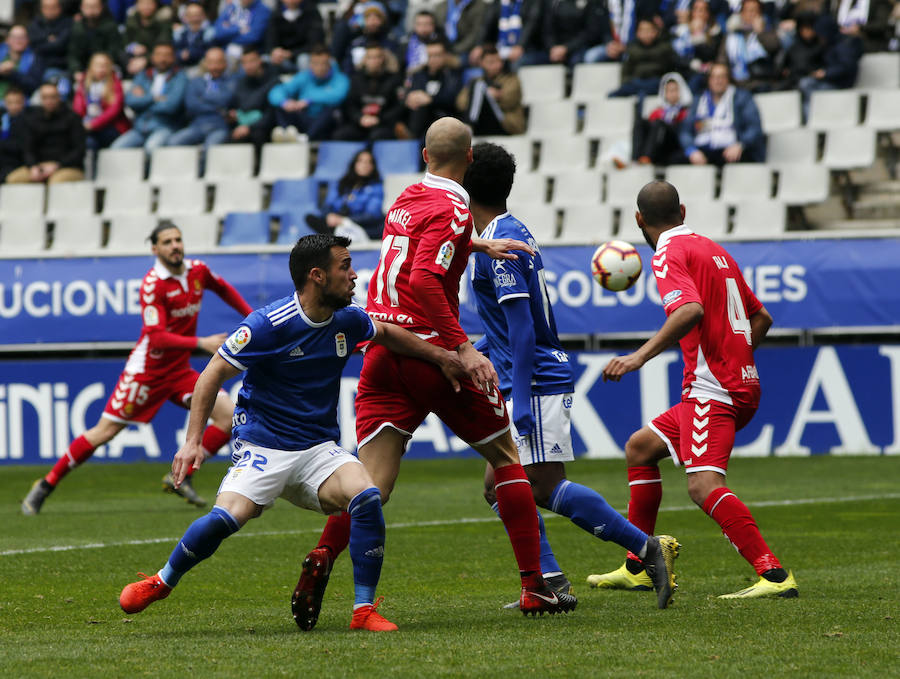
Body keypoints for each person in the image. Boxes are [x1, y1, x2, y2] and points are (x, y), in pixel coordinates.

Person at [295, 117, 578, 631]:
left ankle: (322, 558)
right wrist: (463, 348)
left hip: (383, 349)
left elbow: (412, 257)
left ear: (426, 155)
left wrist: (477, 246)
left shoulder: (405, 198)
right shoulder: (456, 207)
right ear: (469, 161)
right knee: (507, 459)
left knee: (372, 484)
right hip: (432, 356)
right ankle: (535, 586)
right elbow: (425, 276)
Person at [119, 234, 473, 631]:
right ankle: (163, 580)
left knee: (367, 495)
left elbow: (387, 333)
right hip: (263, 446)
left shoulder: (347, 319)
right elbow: (211, 375)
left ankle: (363, 610)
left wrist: (442, 356)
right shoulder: (269, 325)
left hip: (318, 449)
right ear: (317, 276)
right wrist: (192, 441)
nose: (355, 275)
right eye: (345, 266)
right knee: (228, 517)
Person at [466, 142, 680, 610]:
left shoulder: (500, 245)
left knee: (541, 485)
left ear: (466, 184)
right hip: (524, 372)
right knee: (496, 486)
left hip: (534, 377)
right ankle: (549, 582)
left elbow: (524, 332)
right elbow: (510, 327)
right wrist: (478, 348)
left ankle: (646, 547)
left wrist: (519, 398)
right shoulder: (505, 232)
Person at [586, 180, 798, 599]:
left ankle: (773, 575)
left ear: (639, 220)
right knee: (640, 449)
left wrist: (638, 357)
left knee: (702, 485)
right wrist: (737, 356)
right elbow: (763, 318)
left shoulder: (668, 252)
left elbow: (689, 309)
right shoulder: (713, 249)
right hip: (731, 382)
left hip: (713, 388)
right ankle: (639, 565)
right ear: (682, 213)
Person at [21, 221, 254, 516]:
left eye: (178, 240)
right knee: (104, 432)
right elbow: (155, 335)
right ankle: (45, 484)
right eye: (167, 242)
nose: (175, 246)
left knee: (228, 416)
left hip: (179, 371)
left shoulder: (198, 271)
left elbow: (223, 288)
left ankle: (180, 477)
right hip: (147, 373)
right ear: (155, 249)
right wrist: (200, 342)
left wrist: (252, 318)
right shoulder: (153, 285)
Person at [678, 62, 765, 166]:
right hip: (704, 149)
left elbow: (754, 128)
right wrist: (692, 150)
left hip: (732, 149)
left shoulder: (742, 98)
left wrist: (740, 145)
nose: (717, 81)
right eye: (714, 77)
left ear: (728, 79)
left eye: (721, 77)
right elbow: (685, 131)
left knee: (738, 158)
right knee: (676, 159)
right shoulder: (699, 101)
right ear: (709, 80)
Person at [111, 42, 187, 151]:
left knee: (151, 149)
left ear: (173, 58)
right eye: (159, 54)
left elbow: (171, 106)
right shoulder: (142, 76)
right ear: (152, 57)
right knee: (116, 149)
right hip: (140, 128)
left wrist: (143, 101)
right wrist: (154, 98)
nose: (163, 59)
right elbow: (131, 101)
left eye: (167, 55)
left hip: (164, 127)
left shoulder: (180, 78)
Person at [5, 83, 85, 185]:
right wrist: (33, 166)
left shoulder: (72, 118)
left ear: (59, 97)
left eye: (52, 97)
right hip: (40, 166)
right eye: (45, 97)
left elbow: (79, 151)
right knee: (13, 179)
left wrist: (58, 165)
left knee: (56, 181)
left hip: (69, 167)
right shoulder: (33, 119)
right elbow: (27, 148)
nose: (49, 101)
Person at [267, 45, 349, 142]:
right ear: (310, 64)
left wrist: (309, 100)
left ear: (330, 63)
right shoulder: (304, 76)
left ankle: (306, 138)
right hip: (305, 118)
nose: (320, 67)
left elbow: (338, 96)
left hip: (326, 124)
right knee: (279, 107)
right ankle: (285, 134)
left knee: (331, 108)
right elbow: (276, 91)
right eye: (316, 63)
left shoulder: (340, 78)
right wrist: (285, 103)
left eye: (323, 63)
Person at [305, 148, 385, 241]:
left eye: (369, 162)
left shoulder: (376, 187)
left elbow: (372, 215)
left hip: (361, 225)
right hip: (337, 223)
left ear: (373, 167)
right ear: (354, 164)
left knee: (379, 224)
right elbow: (328, 205)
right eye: (361, 161)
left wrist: (345, 220)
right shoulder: (341, 183)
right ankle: (337, 236)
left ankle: (336, 237)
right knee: (311, 218)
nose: (364, 165)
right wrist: (329, 216)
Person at [166, 47, 236, 148]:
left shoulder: (233, 81)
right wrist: (219, 109)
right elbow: (192, 105)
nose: (215, 66)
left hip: (220, 127)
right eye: (211, 62)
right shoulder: (196, 82)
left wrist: (204, 98)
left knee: (210, 149)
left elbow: (227, 99)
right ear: (205, 63)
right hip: (197, 126)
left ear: (225, 63)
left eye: (218, 62)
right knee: (173, 142)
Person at [332, 42, 403, 142]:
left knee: (376, 136)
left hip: (383, 125)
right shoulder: (356, 79)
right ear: (365, 60)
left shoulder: (393, 79)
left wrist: (379, 119)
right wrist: (360, 118)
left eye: (377, 57)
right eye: (370, 57)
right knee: (339, 135)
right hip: (360, 123)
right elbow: (350, 105)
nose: (374, 61)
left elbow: (398, 107)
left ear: (382, 59)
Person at [395, 39, 461, 140]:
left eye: (437, 55)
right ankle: (411, 136)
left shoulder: (452, 74)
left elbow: (453, 99)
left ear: (445, 56)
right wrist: (409, 98)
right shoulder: (419, 74)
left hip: (444, 117)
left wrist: (430, 99)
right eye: (430, 56)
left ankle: (411, 136)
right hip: (421, 117)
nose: (433, 59)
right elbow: (413, 94)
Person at [456, 44, 525, 136]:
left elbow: (509, 101)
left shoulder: (511, 79)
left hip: (506, 124)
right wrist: (484, 96)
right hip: (482, 121)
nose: (496, 65)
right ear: (482, 63)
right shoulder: (476, 81)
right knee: (479, 86)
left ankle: (470, 124)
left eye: (499, 61)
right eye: (491, 62)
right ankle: (471, 123)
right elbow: (460, 103)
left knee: (479, 87)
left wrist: (488, 97)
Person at [72, 52, 131, 151]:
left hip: (112, 127)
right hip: (87, 126)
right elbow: (78, 108)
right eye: (98, 65)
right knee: (84, 140)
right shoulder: (84, 83)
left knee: (89, 140)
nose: (101, 69)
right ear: (91, 67)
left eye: (105, 66)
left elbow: (114, 110)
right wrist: (81, 124)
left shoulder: (115, 83)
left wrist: (93, 124)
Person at [609, 19, 681, 98]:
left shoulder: (665, 47)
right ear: (637, 33)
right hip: (636, 82)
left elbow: (671, 68)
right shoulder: (632, 48)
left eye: (648, 30)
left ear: (655, 32)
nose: (646, 33)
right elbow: (626, 70)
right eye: (642, 30)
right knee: (614, 95)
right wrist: (627, 82)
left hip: (657, 82)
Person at [631, 71, 691, 166]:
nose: (671, 94)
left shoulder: (686, 111)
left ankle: (647, 157)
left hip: (673, 145)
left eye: (674, 90)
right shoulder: (657, 111)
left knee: (659, 123)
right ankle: (635, 158)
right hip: (658, 145)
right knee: (640, 122)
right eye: (668, 91)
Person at [228, 46, 280, 151]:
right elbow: (235, 105)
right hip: (243, 125)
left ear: (260, 60)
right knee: (228, 139)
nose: (248, 66)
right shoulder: (241, 83)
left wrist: (250, 127)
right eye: (244, 63)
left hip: (264, 129)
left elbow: (271, 114)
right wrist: (231, 114)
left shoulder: (273, 81)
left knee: (258, 135)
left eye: (252, 61)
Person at [67, 0, 125, 80]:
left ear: (101, 7)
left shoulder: (110, 27)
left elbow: (114, 51)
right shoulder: (77, 28)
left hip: (105, 68)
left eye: (94, 6)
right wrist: (76, 70)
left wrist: (100, 66)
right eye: (88, 7)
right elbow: (73, 55)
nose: (91, 10)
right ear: (81, 8)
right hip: (83, 69)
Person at [265, 0, 326, 74]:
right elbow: (270, 40)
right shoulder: (276, 14)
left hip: (303, 55)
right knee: (265, 59)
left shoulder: (312, 12)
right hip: (282, 57)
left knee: (303, 59)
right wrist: (274, 51)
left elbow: (315, 43)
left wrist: (291, 53)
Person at [27, 0, 73, 87]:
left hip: (60, 66)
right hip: (38, 66)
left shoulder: (68, 23)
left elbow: (59, 45)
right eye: (46, 7)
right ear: (41, 9)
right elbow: (33, 44)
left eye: (53, 7)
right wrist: (47, 38)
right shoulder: (35, 23)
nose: (50, 10)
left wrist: (41, 42)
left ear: (60, 8)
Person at [124, 0, 174, 75]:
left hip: (154, 63)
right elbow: (124, 42)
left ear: (156, 5)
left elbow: (163, 46)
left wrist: (146, 60)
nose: (146, 7)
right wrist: (132, 47)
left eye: (149, 3)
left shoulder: (163, 22)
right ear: (137, 5)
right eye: (143, 3)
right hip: (132, 61)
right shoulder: (131, 20)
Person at [0, 25, 44, 100]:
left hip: (21, 104)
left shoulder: (35, 58)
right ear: (7, 40)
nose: (18, 41)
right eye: (14, 37)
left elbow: (33, 85)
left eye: (22, 37)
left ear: (28, 40)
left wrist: (12, 73)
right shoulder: (1, 52)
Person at [173, 2, 213, 69]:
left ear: (203, 15)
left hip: (202, 66)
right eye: (191, 15)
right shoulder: (180, 32)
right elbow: (175, 49)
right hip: (182, 66)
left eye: (197, 15)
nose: (194, 19)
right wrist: (180, 54)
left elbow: (210, 51)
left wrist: (190, 53)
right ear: (185, 17)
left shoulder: (210, 32)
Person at [0, 88, 27, 183]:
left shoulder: (28, 121)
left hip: (16, 164)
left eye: (17, 102)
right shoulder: (3, 119)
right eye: (10, 103)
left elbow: (22, 146)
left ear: (24, 102)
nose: (14, 106)